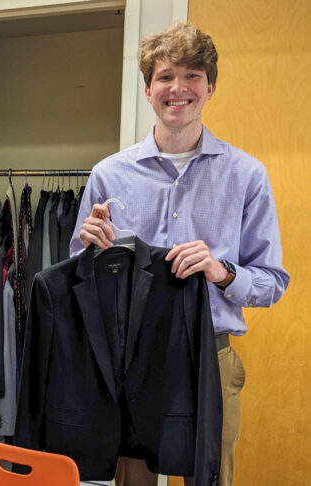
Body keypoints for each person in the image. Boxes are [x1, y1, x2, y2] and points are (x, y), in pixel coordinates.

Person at [70, 23, 289, 486]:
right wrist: (90, 254)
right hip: (132, 358)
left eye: (192, 75)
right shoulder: (109, 174)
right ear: (148, 89)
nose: (179, 88)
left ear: (209, 87)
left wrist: (221, 271)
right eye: (166, 76)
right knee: (133, 480)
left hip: (212, 356)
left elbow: (272, 283)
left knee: (211, 478)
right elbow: (78, 281)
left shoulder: (247, 175)